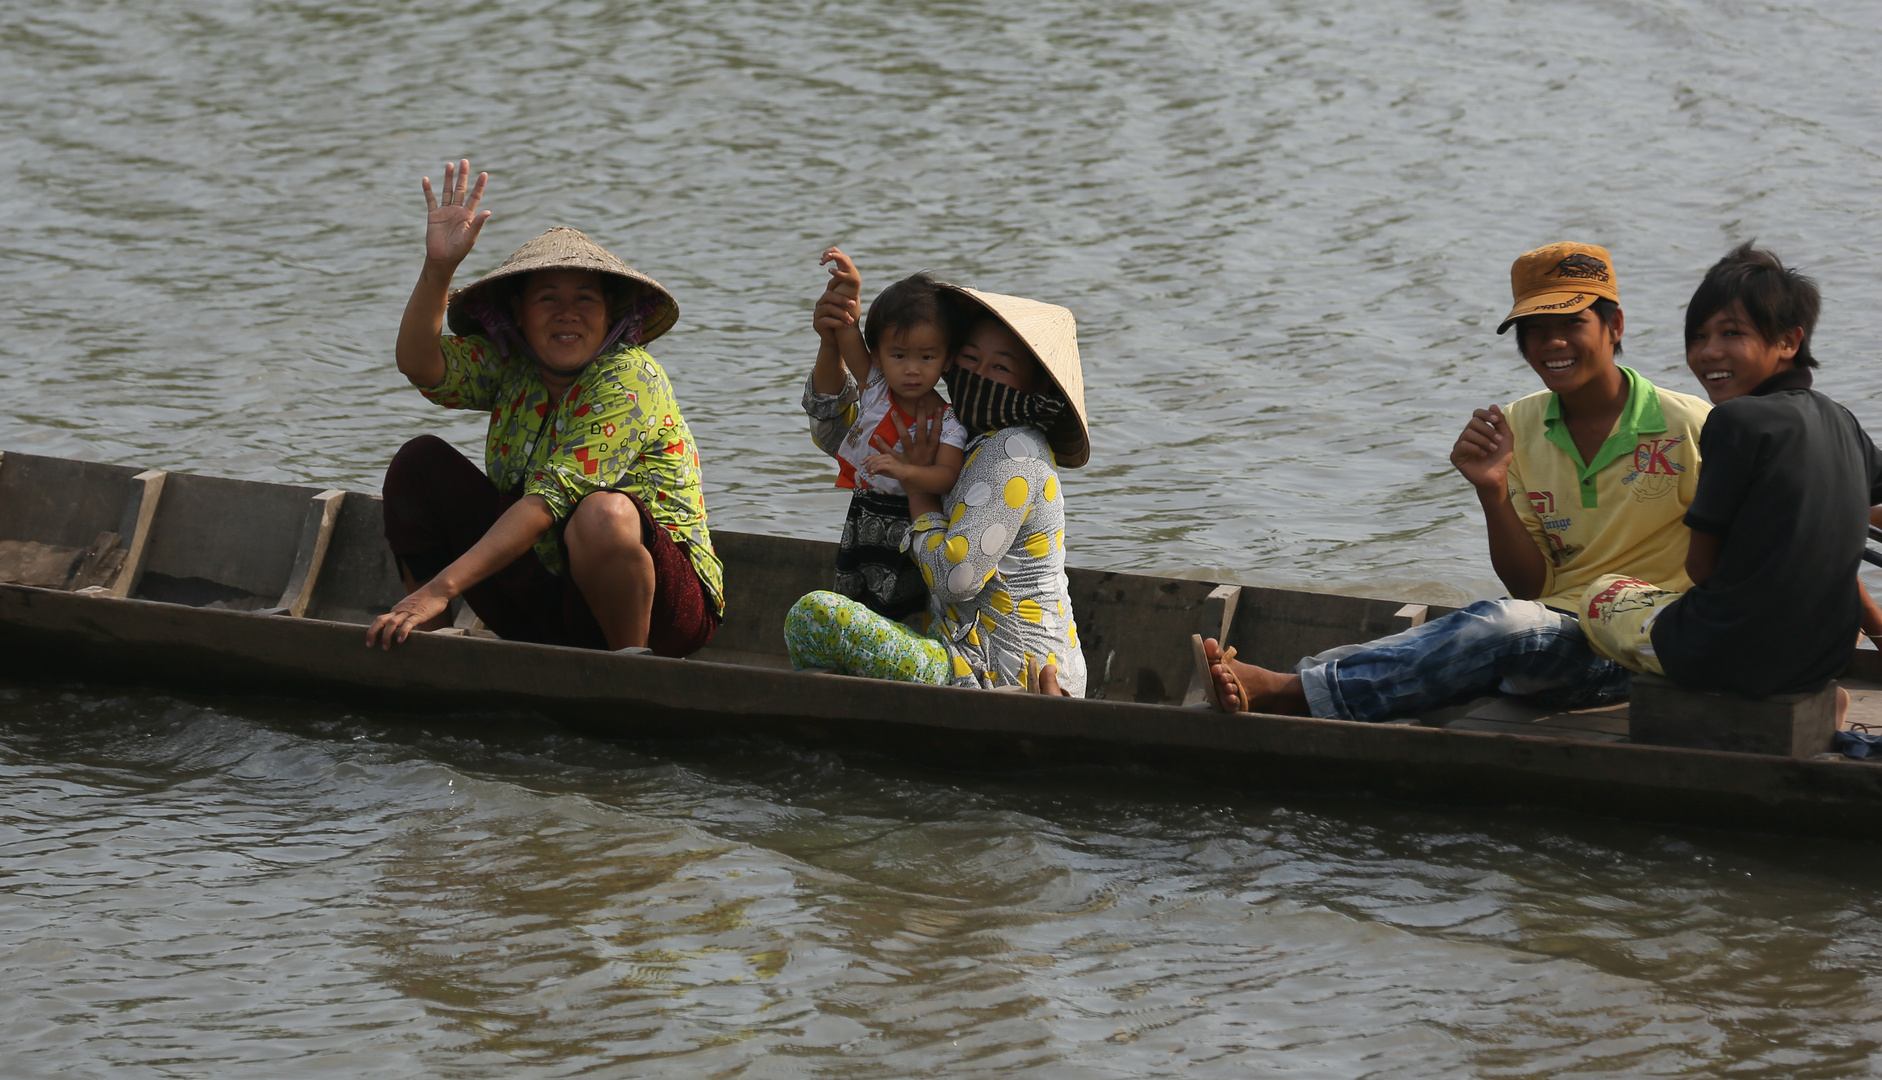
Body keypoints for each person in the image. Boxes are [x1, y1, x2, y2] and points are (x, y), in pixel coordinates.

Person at [1204, 242, 1711, 721]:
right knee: (1502, 622)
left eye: (1572, 323)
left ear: (1614, 325)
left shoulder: (1692, 426)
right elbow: (1531, 587)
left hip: (1642, 649)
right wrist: (1490, 491)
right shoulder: (1517, 427)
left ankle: (1291, 692)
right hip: (1552, 638)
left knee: (1505, 626)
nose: (1553, 343)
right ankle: (1299, 686)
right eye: (1535, 329)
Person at [367, 160, 723, 656]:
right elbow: (420, 364)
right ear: (518, 314)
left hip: (663, 611)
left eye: (585, 299)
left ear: (609, 314)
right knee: (419, 463)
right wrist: (439, 268)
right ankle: (426, 644)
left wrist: (440, 586)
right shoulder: (515, 366)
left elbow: (549, 499)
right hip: (551, 596)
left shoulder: (631, 377)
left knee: (601, 514)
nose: (567, 313)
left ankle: (630, 671)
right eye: (547, 299)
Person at [1579, 243, 1882, 705]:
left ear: (1788, 342)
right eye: (1698, 337)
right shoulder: (1840, 419)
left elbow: (1701, 569)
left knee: (1603, 594)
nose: (1709, 352)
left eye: (1732, 333)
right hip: (1825, 656)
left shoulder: (1736, 422)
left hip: (1731, 654)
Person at [787, 285, 1091, 696]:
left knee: (814, 616)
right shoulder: (959, 432)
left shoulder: (1013, 451)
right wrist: (834, 342)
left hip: (1013, 677)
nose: (978, 375)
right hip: (960, 653)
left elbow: (956, 578)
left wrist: (918, 490)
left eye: (999, 368)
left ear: (1032, 388)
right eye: (969, 359)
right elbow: (838, 436)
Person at [805, 248, 967, 621]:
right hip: (862, 511)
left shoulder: (947, 418)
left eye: (927, 357)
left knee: (900, 605)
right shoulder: (875, 384)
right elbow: (846, 328)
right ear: (877, 354)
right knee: (852, 593)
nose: (912, 370)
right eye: (899, 356)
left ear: (946, 358)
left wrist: (905, 471)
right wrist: (851, 288)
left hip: (909, 522)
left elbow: (946, 474)